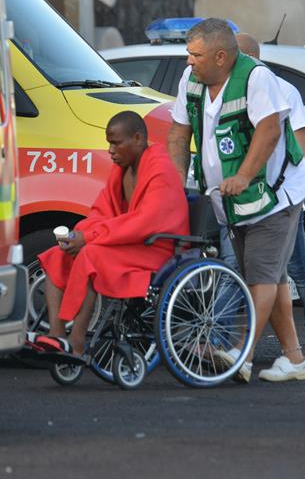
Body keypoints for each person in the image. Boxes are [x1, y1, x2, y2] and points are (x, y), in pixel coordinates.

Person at [168, 18, 305, 383]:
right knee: (269, 277)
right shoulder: (191, 80)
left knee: (260, 277)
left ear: (221, 57)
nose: (188, 61)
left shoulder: (256, 79)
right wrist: (173, 182)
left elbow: (269, 130)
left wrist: (245, 175)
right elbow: (179, 134)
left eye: (196, 55)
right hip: (230, 200)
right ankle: (295, 359)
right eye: (188, 53)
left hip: (274, 195)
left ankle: (240, 355)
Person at [35, 111, 190, 355]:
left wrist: (89, 238)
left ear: (138, 138)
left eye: (116, 143)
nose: (110, 150)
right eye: (109, 143)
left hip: (157, 249)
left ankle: (76, 341)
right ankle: (56, 334)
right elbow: (101, 211)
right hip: (129, 244)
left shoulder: (161, 170)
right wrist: (78, 234)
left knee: (90, 255)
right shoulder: (121, 170)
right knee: (58, 255)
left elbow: (143, 223)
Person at [236, 33, 305, 369]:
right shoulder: (234, 92)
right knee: (257, 273)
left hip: (281, 199)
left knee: (297, 271)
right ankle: (274, 350)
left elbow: (299, 148)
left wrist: (271, 184)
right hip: (247, 198)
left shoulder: (283, 90)